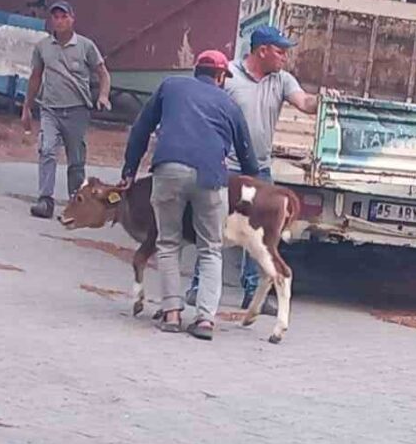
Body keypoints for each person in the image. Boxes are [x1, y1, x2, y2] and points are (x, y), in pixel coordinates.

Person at [186, 25, 328, 315]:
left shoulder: (282, 80)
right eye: (280, 52)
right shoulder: (229, 74)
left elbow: (305, 103)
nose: (284, 58)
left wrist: (322, 99)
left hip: (259, 168)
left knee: (260, 232)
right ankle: (198, 287)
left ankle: (254, 292)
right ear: (261, 50)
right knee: (213, 225)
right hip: (225, 167)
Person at [120, 50, 260, 341]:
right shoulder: (229, 104)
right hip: (211, 176)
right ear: (220, 76)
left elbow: (141, 129)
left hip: (168, 169)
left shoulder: (170, 86)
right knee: (210, 248)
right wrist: (251, 181)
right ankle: (205, 320)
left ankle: (171, 313)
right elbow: (248, 157)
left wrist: (129, 170)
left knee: (168, 242)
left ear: (197, 70)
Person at [23, 0, 111, 219]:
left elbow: (103, 74)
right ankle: (45, 200)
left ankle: (76, 200)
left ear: (72, 19)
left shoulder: (85, 46)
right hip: (50, 109)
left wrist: (103, 95)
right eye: (56, 17)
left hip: (76, 110)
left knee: (76, 159)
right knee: (47, 150)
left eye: (64, 17)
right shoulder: (43, 47)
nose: (60, 21)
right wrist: (27, 107)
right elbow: (35, 77)